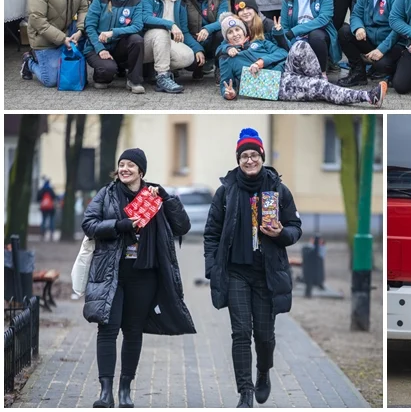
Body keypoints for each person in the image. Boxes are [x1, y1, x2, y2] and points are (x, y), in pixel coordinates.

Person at [83, 148, 195, 408]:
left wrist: (167, 198)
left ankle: (125, 390)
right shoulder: (107, 194)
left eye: (130, 165)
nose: (124, 169)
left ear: (141, 171)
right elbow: (89, 224)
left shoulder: (154, 196)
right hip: (111, 274)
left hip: (144, 275)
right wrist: (119, 225)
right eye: (121, 164)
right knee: (107, 329)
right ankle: (105, 391)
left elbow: (183, 227)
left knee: (133, 331)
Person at [203, 129, 303, 407]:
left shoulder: (278, 191)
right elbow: (211, 233)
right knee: (240, 332)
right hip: (235, 272)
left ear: (262, 156)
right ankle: (245, 393)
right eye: (244, 156)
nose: (249, 160)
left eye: (254, 155)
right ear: (238, 160)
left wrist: (282, 233)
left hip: (266, 274)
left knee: (264, 335)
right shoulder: (226, 192)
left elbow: (296, 228)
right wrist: (213, 268)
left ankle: (263, 372)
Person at [219, 13, 385, 107]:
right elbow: (226, 85)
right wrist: (230, 94)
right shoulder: (228, 57)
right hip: (271, 85)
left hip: (285, 71)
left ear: (243, 31)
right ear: (226, 38)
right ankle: (368, 97)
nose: (235, 34)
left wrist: (261, 61)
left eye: (237, 30)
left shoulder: (258, 41)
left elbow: (283, 53)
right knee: (319, 86)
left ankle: (321, 87)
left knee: (299, 45)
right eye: (230, 32)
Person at [21, 0, 89, 88]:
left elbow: (84, 9)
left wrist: (80, 30)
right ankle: (29, 61)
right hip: (44, 38)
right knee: (51, 80)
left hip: (68, 32)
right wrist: (62, 38)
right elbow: (37, 20)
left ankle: (65, 53)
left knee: (70, 71)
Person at [82, 0, 147, 92]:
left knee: (137, 40)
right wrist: (100, 49)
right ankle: (101, 76)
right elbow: (89, 26)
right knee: (107, 70)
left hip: (119, 45)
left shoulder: (136, 0)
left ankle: (134, 81)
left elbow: (137, 26)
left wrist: (113, 32)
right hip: (97, 46)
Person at [141, 0, 204, 93]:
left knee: (188, 56)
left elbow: (184, 31)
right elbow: (145, 18)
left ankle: (154, 69)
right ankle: (162, 77)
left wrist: (198, 49)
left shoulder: (179, 1)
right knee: (161, 32)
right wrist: (170, 24)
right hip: (146, 43)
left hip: (167, 42)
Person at [339, 0, 401, 86]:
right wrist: (358, 28)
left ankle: (392, 70)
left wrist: (382, 50)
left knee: (381, 65)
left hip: (391, 43)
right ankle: (358, 73)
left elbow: (398, 28)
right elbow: (355, 14)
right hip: (371, 39)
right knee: (344, 32)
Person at [275, 0, 339, 74]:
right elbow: (284, 25)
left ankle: (322, 73)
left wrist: (296, 31)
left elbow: (323, 19)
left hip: (318, 35)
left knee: (315, 36)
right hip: (296, 38)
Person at [182, 0, 229, 80]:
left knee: (222, 33)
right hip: (192, 38)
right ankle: (198, 67)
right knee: (192, 63)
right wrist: (197, 48)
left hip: (211, 37)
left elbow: (223, 20)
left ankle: (219, 68)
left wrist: (207, 29)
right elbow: (183, 28)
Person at [36, 178, 57, 242]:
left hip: (44, 208)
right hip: (50, 208)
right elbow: (54, 197)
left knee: (43, 221)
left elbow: (38, 198)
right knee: (51, 221)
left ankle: (42, 234)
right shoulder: (50, 190)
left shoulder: (42, 190)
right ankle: (51, 234)